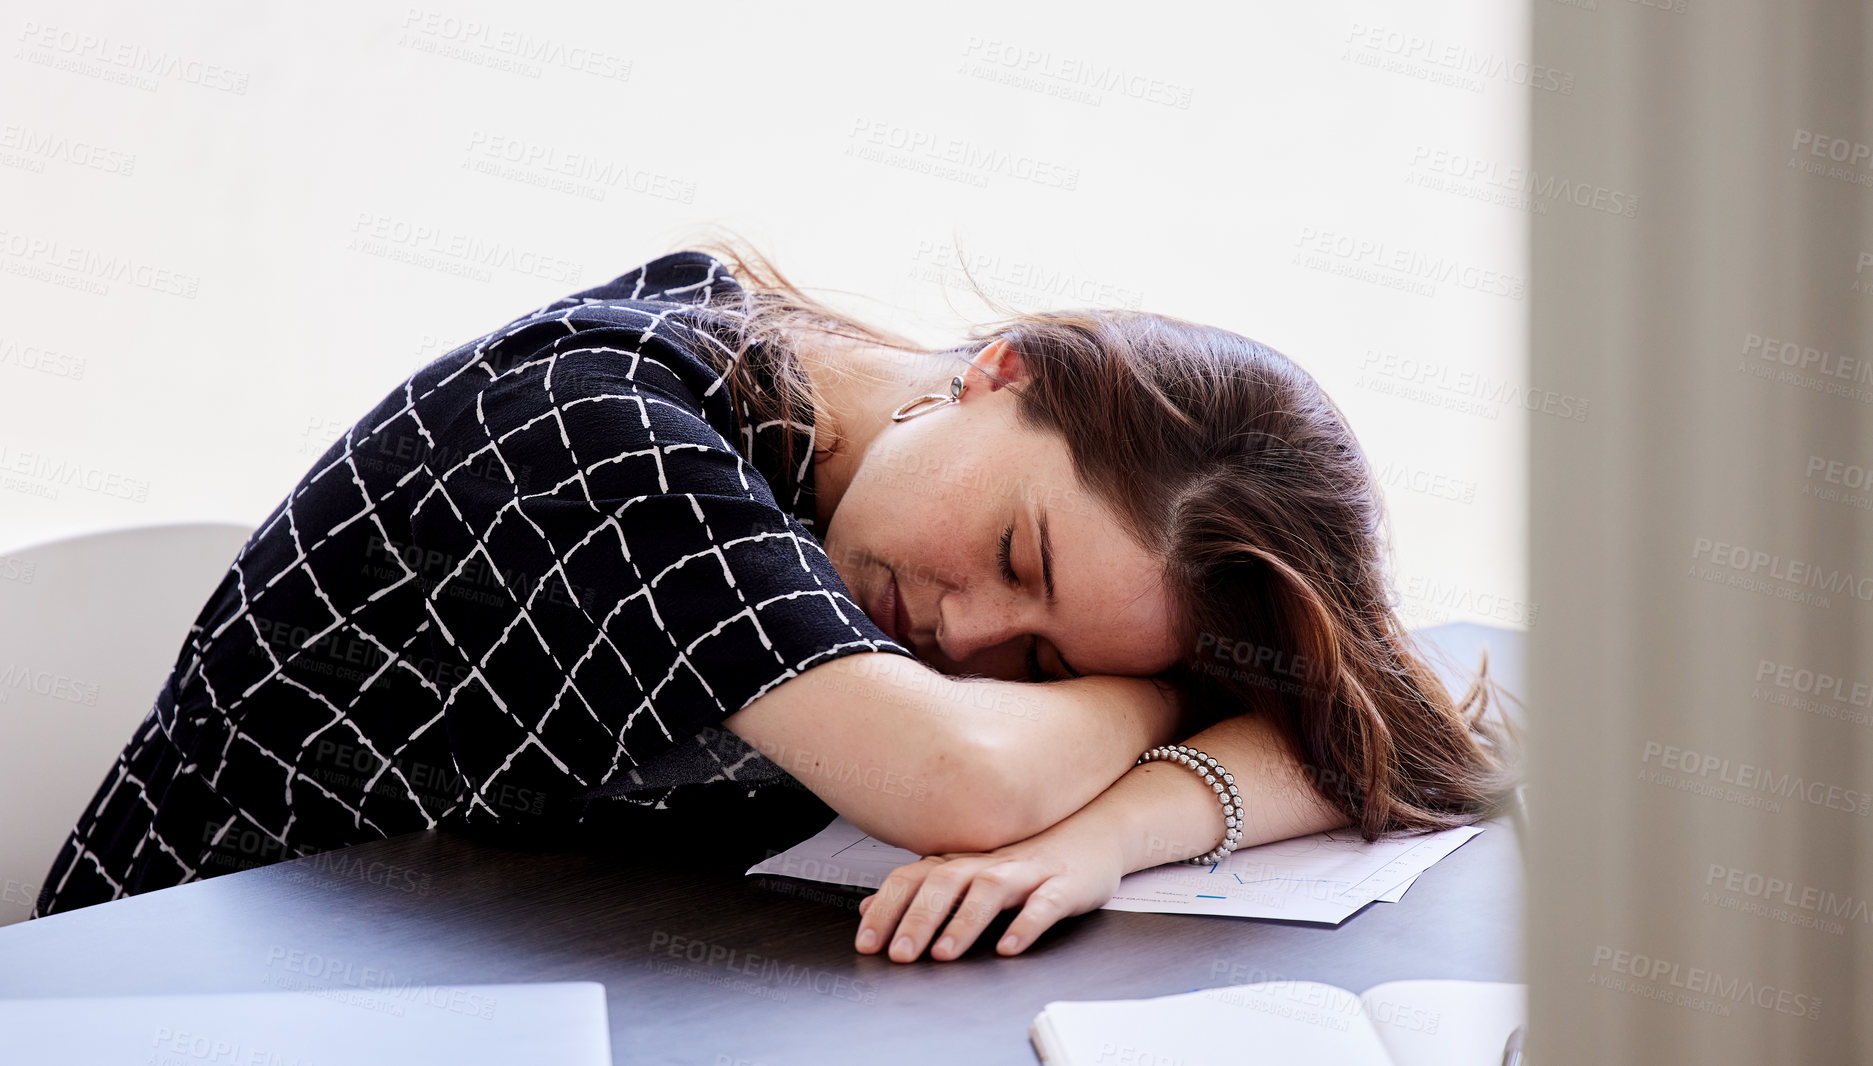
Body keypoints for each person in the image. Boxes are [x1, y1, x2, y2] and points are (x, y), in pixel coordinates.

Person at [31, 237, 1517, 965]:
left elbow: (1388, 735)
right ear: (1003, 369)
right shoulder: (609, 434)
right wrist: (1144, 694)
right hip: (164, 999)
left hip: (475, 974)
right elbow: (956, 775)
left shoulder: (844, 449)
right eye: (1020, 558)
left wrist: (1110, 830)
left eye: (1046, 651)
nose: (973, 640)